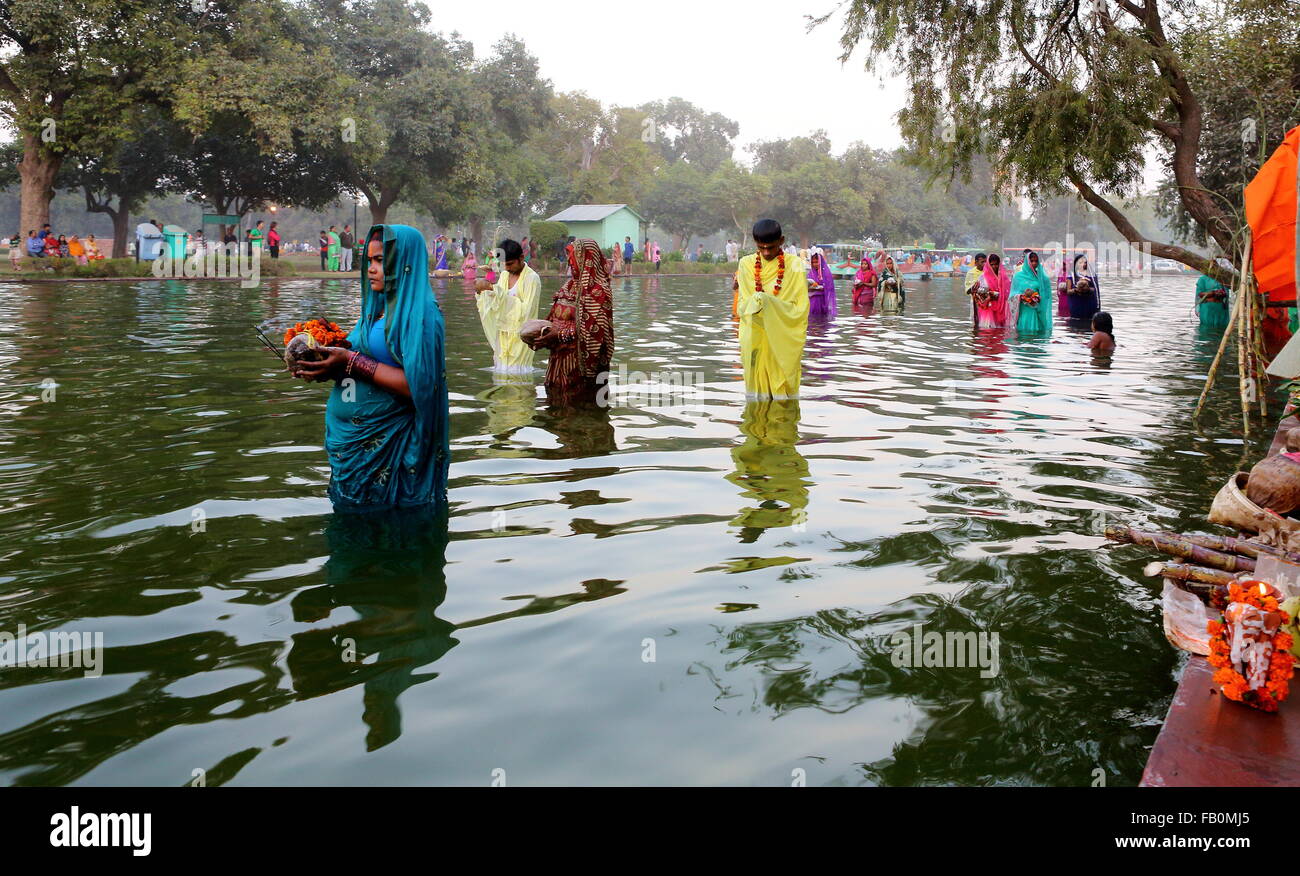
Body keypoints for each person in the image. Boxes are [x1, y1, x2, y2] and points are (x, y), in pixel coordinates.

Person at [292, 224, 449, 509]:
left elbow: (420, 387)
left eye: (381, 261)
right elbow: (357, 361)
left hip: (391, 448)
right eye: (369, 261)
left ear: (404, 262)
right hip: (352, 450)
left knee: (387, 534)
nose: (372, 269)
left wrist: (351, 362)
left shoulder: (421, 315)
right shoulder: (376, 309)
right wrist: (320, 364)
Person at [524, 237, 613, 402]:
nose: (570, 262)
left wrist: (558, 336)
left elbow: (592, 330)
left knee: (580, 407)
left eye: (573, 257)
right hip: (558, 361)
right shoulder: (568, 286)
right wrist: (541, 336)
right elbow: (553, 317)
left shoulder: (598, 290)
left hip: (579, 366)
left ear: (586, 259)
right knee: (557, 406)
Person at [734, 219, 809, 400]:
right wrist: (760, 302)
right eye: (761, 247)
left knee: (782, 397)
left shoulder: (795, 264)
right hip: (755, 334)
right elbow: (743, 304)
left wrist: (768, 303)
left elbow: (801, 307)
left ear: (782, 241)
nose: (766, 252)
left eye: (771, 247)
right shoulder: (745, 264)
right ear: (756, 244)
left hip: (784, 335)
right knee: (756, 397)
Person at [474, 238, 540, 376]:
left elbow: (527, 312)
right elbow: (497, 304)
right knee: (501, 376)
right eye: (505, 264)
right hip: (502, 336)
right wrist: (484, 292)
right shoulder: (504, 275)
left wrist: (495, 291)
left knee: (519, 376)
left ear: (521, 258)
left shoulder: (532, 278)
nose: (507, 268)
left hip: (521, 338)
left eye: (510, 264)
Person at [1011, 249, 1053, 334]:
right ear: (1027, 261)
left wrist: (1037, 298)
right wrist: (1022, 297)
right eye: (1031, 261)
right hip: (1023, 310)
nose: (1034, 263)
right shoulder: (1018, 277)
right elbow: (1012, 295)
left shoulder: (1042, 277)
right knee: (1023, 336)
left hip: (1037, 311)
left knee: (1035, 335)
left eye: (1036, 261)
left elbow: (1047, 296)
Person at [974, 253, 1012, 327]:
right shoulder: (983, 277)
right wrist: (988, 294)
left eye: (996, 264)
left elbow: (1009, 292)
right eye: (992, 264)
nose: (994, 266)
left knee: (1001, 331)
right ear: (988, 265)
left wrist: (999, 295)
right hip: (989, 308)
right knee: (989, 331)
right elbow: (980, 291)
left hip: (1002, 307)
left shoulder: (1004, 277)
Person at [1068, 253, 1101, 320]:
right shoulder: (1071, 275)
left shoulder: (1092, 275)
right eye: (1080, 262)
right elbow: (1068, 291)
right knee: (1076, 327)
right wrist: (1076, 290)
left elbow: (1095, 290)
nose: (1083, 264)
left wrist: (1087, 289)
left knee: (1089, 326)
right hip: (1076, 307)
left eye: (1085, 262)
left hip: (1090, 306)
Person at [806, 247, 837, 318]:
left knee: (819, 320)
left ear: (820, 262)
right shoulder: (811, 273)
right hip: (811, 300)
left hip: (820, 300)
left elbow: (829, 287)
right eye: (813, 262)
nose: (814, 264)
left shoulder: (826, 273)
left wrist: (819, 288)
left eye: (816, 262)